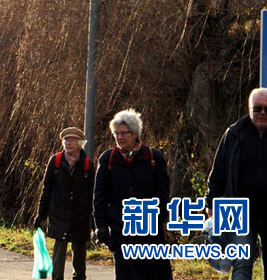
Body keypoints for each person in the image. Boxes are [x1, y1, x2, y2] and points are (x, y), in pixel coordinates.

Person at [206, 87, 267, 279]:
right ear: (249, 108)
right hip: (240, 214)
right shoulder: (234, 134)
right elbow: (219, 170)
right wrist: (211, 201)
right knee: (241, 266)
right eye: (257, 108)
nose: (262, 113)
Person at [93, 109, 173, 279]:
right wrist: (101, 226)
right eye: (116, 133)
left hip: (149, 230)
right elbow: (99, 196)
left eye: (124, 133)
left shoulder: (153, 157)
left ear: (135, 134)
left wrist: (158, 218)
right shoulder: (108, 159)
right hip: (120, 230)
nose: (119, 137)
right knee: (126, 274)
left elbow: (163, 193)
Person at [34, 127, 94, 280]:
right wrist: (41, 214)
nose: (68, 143)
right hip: (59, 212)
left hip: (80, 214)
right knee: (59, 246)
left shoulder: (87, 164)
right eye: (66, 140)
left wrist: (93, 220)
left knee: (79, 248)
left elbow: (92, 193)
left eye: (72, 140)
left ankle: (79, 277)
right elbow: (46, 189)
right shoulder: (55, 161)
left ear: (79, 143)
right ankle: (57, 278)